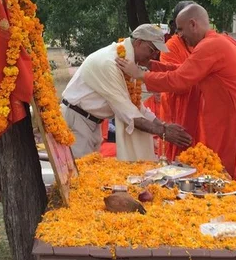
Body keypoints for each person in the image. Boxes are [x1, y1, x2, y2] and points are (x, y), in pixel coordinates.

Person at [116, 3, 236, 235]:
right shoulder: (215, 43)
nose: (179, 35)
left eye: (181, 30)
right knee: (230, 184)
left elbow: (180, 79)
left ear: (193, 24)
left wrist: (140, 74)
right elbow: (181, 69)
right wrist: (151, 65)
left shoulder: (212, 45)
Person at [64, 24, 191, 161]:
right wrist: (164, 132)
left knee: (87, 170)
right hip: (77, 119)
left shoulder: (128, 62)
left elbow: (135, 105)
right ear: (138, 42)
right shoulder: (110, 63)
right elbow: (128, 112)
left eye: (157, 52)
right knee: (79, 175)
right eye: (152, 50)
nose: (154, 55)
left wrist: (163, 125)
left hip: (91, 122)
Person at [157, 1, 203, 161]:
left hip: (202, 113)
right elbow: (177, 81)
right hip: (177, 113)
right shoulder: (170, 46)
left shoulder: (203, 43)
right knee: (177, 161)